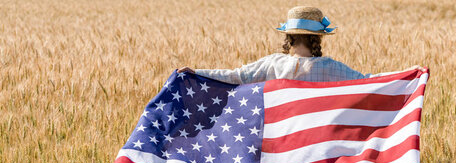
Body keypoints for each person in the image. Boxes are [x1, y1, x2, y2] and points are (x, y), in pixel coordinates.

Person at [177, 6, 425, 84]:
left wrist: (197, 73)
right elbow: (370, 80)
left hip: (278, 141)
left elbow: (235, 76)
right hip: (316, 146)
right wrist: (408, 75)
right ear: (318, 38)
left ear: (289, 37)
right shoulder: (331, 68)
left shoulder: (273, 63)